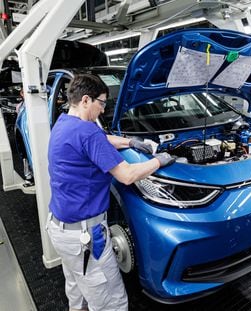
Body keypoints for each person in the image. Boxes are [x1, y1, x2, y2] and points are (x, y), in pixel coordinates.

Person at [46, 73, 174, 311]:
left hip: (60, 230)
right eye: (102, 103)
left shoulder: (64, 123)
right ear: (86, 100)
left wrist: (130, 142)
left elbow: (101, 139)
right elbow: (126, 176)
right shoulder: (88, 133)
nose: (103, 110)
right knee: (111, 302)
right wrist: (159, 161)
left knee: (77, 289)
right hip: (85, 237)